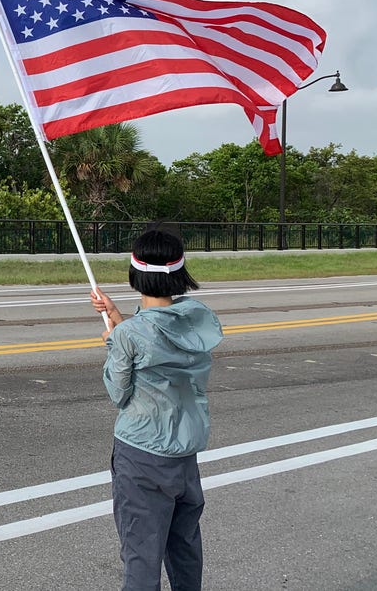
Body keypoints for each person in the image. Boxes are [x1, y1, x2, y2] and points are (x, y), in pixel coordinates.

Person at [89, 228, 223, 591]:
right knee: (184, 548)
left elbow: (119, 392)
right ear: (180, 271)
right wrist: (118, 319)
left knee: (141, 557)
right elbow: (157, 347)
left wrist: (115, 342)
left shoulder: (130, 336)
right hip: (184, 457)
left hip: (142, 457)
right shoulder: (193, 320)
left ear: (136, 274)